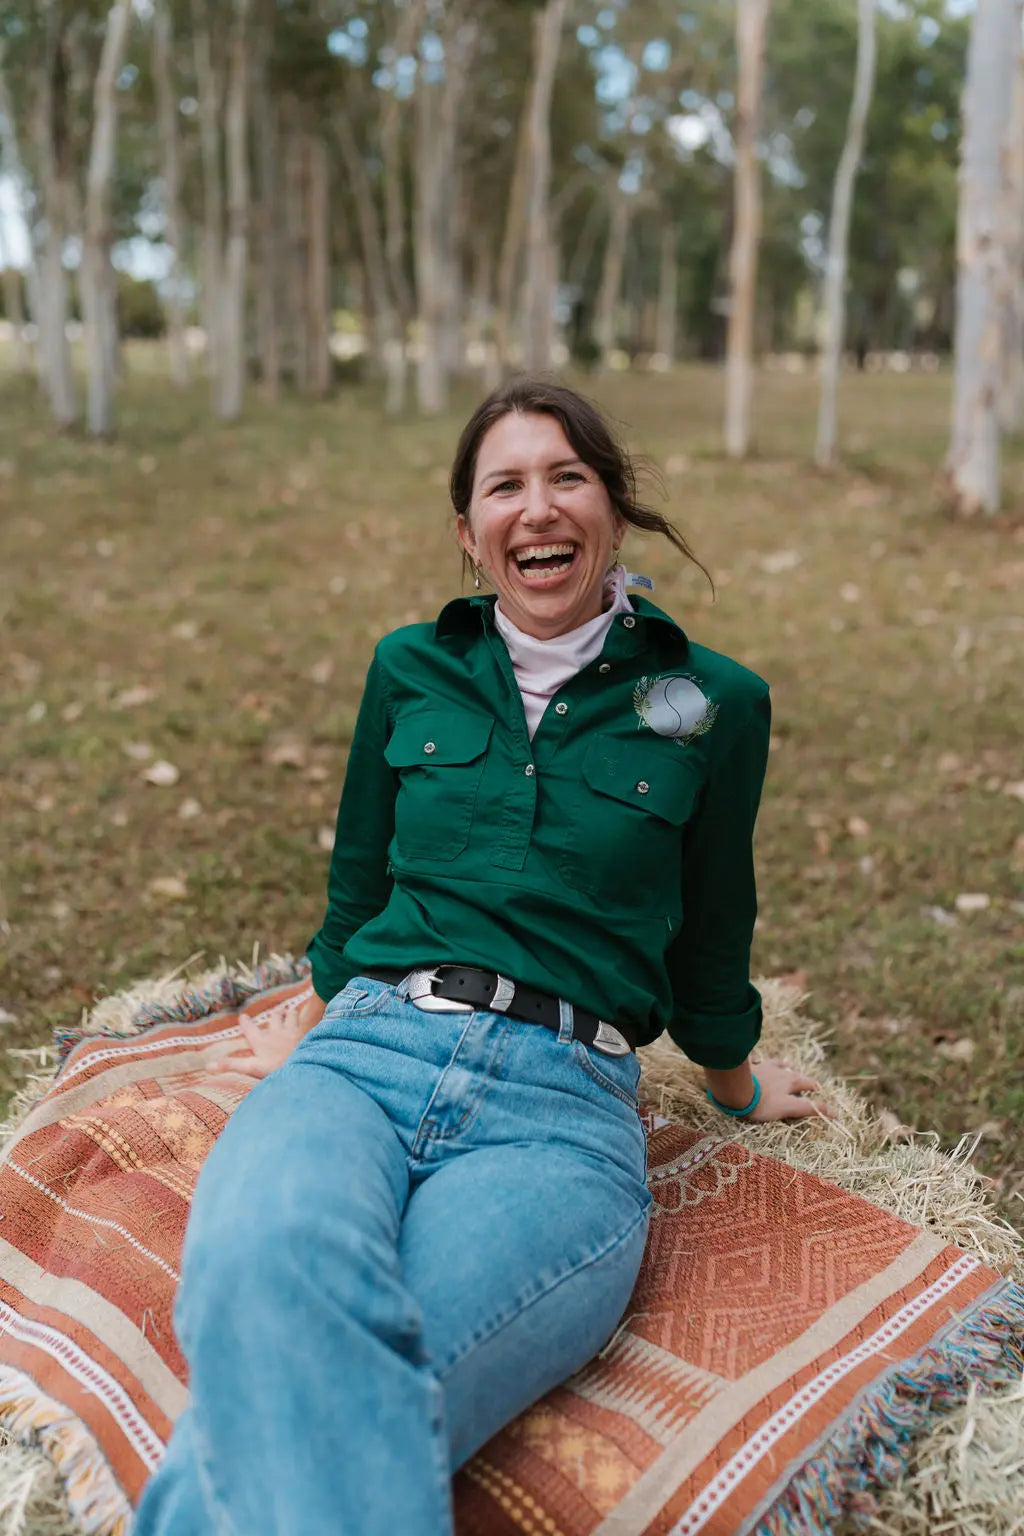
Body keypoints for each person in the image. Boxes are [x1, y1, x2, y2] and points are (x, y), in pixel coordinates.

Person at [134, 378, 829, 1536]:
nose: (537, 507)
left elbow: (713, 925)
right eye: (504, 485)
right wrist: (313, 1008)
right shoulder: (408, 668)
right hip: (364, 1058)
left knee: (341, 1381)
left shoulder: (715, 703)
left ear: (613, 510)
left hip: (560, 1116)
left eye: (566, 476)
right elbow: (357, 879)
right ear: (470, 533)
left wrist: (734, 1077)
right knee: (264, 1259)